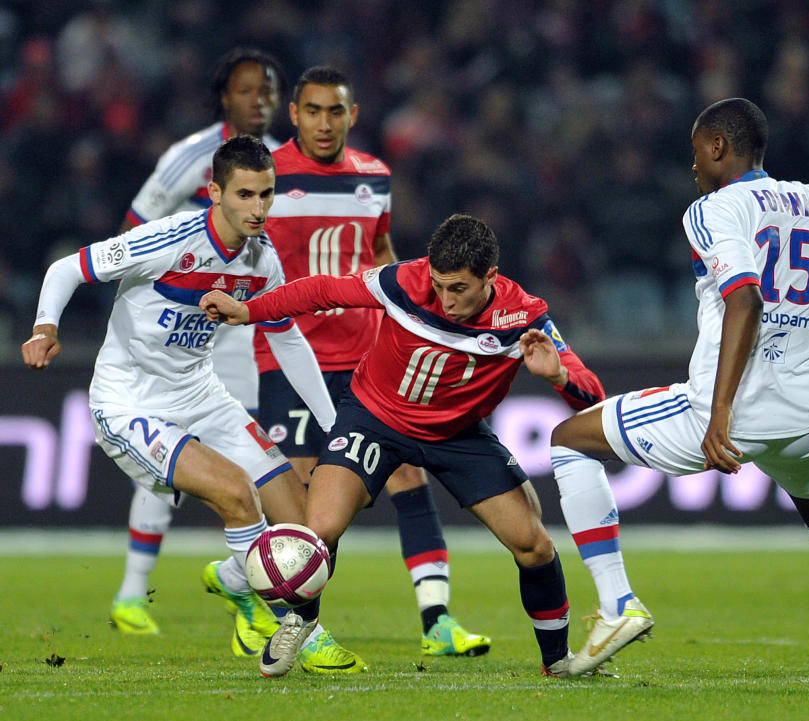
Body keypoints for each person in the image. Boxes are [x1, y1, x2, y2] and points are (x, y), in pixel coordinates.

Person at [547, 98, 809, 681]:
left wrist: (719, 413)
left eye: (697, 149)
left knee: (569, 439)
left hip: (727, 411)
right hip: (805, 415)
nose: (693, 163)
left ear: (718, 145)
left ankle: (619, 603)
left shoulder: (712, 208)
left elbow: (743, 296)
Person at [200, 213, 605, 679]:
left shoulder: (525, 318)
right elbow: (322, 291)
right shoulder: (403, 281)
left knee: (533, 545)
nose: (446, 300)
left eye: (458, 288)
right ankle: (301, 623)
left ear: (490, 277)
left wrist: (558, 375)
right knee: (317, 534)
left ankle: (558, 660)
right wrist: (247, 310)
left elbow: (592, 394)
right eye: (439, 285)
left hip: (458, 435)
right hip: (374, 419)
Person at [22, 136, 337, 662]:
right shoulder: (166, 240)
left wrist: (335, 422)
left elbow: (285, 337)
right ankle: (293, 630)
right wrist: (43, 326)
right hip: (130, 403)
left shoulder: (262, 261)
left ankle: (238, 579)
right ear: (214, 191)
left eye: (266, 194)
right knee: (236, 492)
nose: (258, 209)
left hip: (200, 392)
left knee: (297, 509)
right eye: (244, 195)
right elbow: (66, 269)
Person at [255, 65, 488, 671]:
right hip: (290, 356)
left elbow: (381, 255)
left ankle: (438, 621)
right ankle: (306, 627)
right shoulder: (268, 176)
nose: (324, 123)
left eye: (335, 111)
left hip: (365, 357)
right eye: (312, 111)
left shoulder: (375, 177)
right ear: (295, 115)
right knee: (312, 502)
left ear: (352, 114)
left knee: (408, 476)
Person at [110, 47, 285, 638]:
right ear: (224, 98)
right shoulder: (190, 158)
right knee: (176, 463)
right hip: (185, 330)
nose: (259, 100)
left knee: (252, 467)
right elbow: (134, 231)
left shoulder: (280, 164)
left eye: (268, 90)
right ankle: (134, 592)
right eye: (246, 90)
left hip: (247, 327)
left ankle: (245, 591)